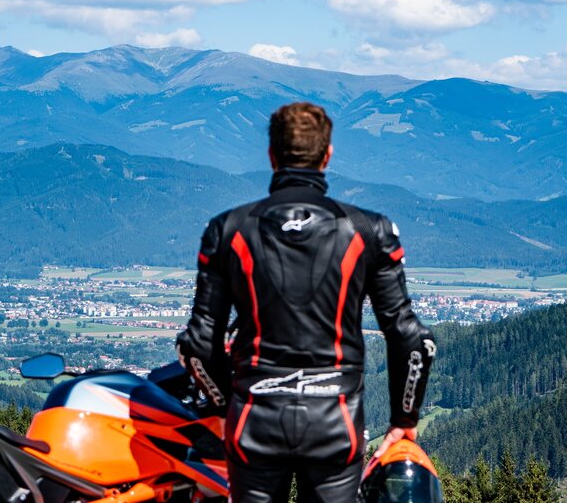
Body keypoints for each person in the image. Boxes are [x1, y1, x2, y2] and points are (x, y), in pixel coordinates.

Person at [176, 102, 436, 503]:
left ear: (271, 155)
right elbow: (411, 340)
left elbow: (197, 344)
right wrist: (405, 419)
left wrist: (224, 406)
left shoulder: (227, 230)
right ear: (327, 155)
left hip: (254, 420)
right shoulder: (370, 231)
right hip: (335, 424)